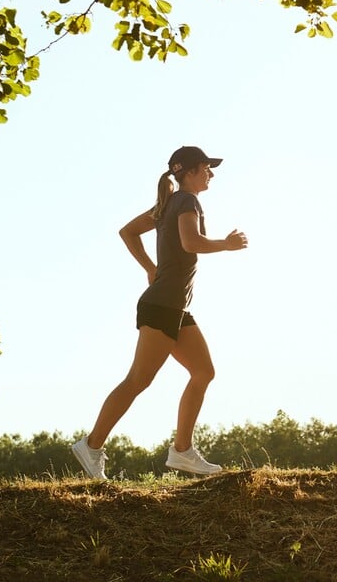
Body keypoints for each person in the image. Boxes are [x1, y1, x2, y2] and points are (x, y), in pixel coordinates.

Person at [72, 145, 249, 479]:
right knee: (138, 379)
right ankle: (91, 446)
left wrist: (150, 268)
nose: (210, 174)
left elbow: (127, 231)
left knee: (203, 372)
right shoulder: (186, 202)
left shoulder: (168, 204)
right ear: (193, 171)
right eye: (207, 168)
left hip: (173, 307)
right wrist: (225, 244)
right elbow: (191, 243)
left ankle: (182, 452)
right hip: (163, 305)